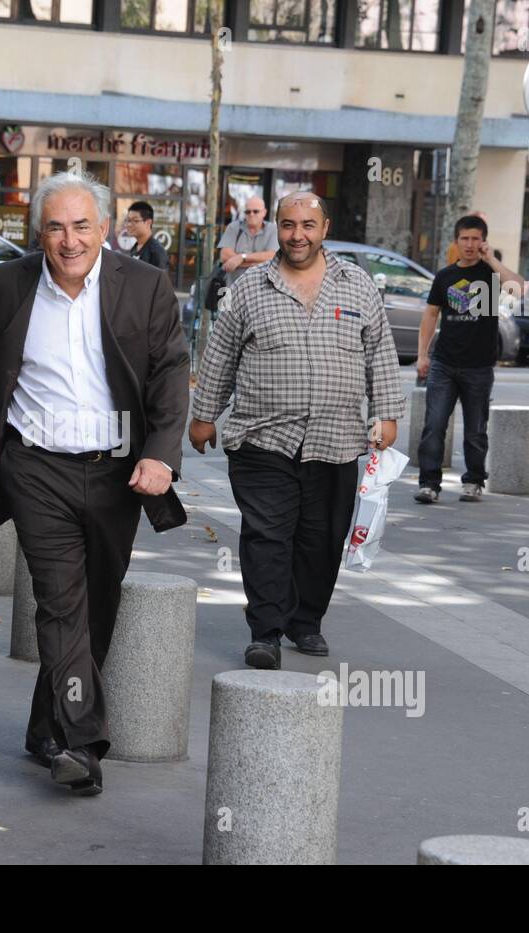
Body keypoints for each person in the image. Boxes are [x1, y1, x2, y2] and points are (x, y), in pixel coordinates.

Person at [0, 171, 190, 797]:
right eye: (55, 227)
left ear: (104, 228)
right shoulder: (4, 287)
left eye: (80, 226)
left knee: (96, 607)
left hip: (117, 472)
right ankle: (80, 743)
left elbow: (170, 374)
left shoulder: (146, 286)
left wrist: (161, 455)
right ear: (38, 232)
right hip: (36, 468)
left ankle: (46, 724)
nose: (69, 240)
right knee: (61, 602)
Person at [189, 192, 404, 667]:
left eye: (308, 225)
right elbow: (221, 355)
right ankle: (265, 630)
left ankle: (305, 622)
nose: (297, 235)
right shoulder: (248, 288)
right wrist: (203, 415)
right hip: (263, 437)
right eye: (288, 225)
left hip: (336, 438)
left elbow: (381, 354)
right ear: (277, 229)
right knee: (268, 535)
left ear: (324, 228)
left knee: (320, 539)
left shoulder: (358, 286)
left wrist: (387, 412)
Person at [415, 215, 525, 504]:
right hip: (444, 363)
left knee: (476, 429)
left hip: (479, 367)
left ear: (483, 242)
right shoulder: (445, 276)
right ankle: (428, 484)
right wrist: (422, 355)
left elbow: (519, 288)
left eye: (476, 239)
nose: (470, 244)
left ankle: (474, 481)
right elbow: (430, 315)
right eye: (465, 238)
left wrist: (492, 260)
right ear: (456, 241)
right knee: (434, 424)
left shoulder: (491, 275)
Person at [218, 195, 278, 286]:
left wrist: (241, 258)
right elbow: (224, 256)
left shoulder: (273, 229)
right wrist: (259, 263)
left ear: (264, 212)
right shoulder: (233, 227)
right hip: (234, 288)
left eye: (255, 211)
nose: (251, 214)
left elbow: (272, 256)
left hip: (263, 289)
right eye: (248, 212)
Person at [123, 200, 169, 271]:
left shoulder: (157, 252)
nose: (129, 224)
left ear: (148, 223)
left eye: (135, 221)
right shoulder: (134, 248)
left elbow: (160, 281)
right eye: (128, 220)